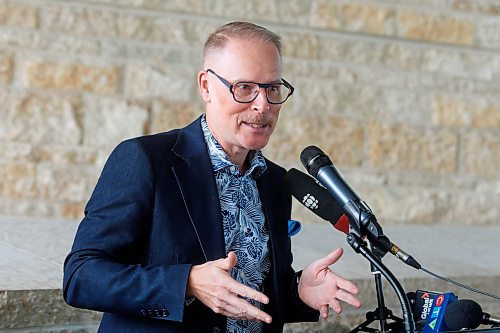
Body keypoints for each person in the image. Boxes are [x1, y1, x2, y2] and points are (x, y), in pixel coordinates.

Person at [63, 21, 362, 332]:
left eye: (272, 88)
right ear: (206, 86)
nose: (263, 105)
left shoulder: (274, 181)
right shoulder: (146, 159)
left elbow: (253, 292)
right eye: (244, 87)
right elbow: (81, 276)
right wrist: (187, 283)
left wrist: (298, 291)